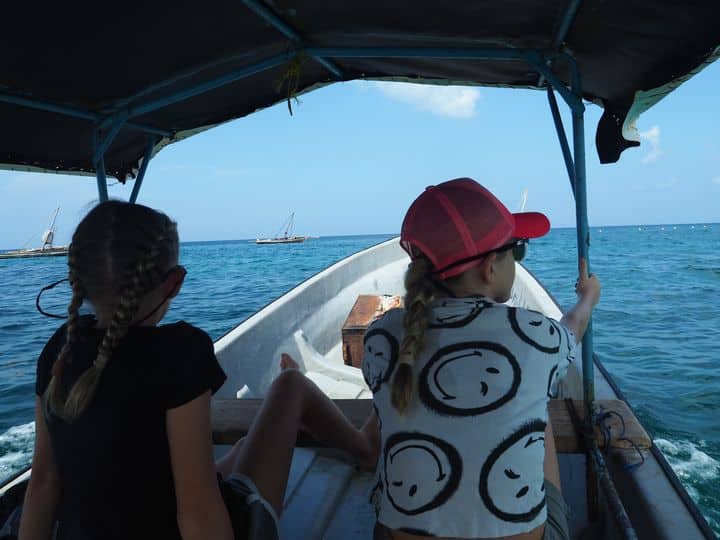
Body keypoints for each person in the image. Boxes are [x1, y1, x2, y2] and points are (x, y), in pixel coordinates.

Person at [18, 200, 375, 540]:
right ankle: (364, 448)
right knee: (291, 385)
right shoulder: (179, 353)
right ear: (175, 282)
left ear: (78, 280)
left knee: (241, 448)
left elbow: (43, 483)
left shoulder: (60, 349)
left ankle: (254, 442)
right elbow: (197, 510)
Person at [361, 178, 601, 540]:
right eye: (517, 250)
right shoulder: (537, 335)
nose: (518, 259)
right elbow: (574, 327)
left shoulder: (380, 335)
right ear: (490, 267)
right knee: (536, 400)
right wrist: (588, 297)